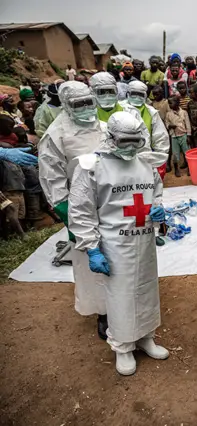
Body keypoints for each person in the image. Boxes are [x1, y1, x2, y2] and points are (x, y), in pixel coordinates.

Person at [68, 111, 169, 376]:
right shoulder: (92, 166)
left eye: (136, 141)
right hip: (114, 243)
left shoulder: (145, 162)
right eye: (125, 141)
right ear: (110, 137)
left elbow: (155, 191)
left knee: (147, 289)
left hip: (144, 238)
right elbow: (80, 210)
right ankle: (123, 347)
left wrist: (157, 209)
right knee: (121, 294)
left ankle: (146, 336)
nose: (131, 147)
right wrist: (91, 247)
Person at [38, 81, 109, 340]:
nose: (86, 108)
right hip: (81, 210)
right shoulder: (55, 136)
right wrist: (73, 220)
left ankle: (123, 304)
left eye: (89, 101)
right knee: (92, 266)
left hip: (112, 204)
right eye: (79, 104)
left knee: (120, 259)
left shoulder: (103, 127)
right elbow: (52, 183)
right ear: (67, 106)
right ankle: (103, 313)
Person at [125, 81, 170, 170]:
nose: (137, 97)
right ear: (128, 94)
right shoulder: (121, 108)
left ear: (145, 96)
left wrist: (158, 160)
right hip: (123, 156)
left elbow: (160, 137)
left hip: (146, 156)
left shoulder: (151, 111)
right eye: (134, 94)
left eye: (140, 94)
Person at [165, 96, 191, 177]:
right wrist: (170, 126)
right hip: (174, 137)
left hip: (183, 135)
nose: (169, 105)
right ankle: (176, 169)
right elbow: (166, 123)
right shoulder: (168, 114)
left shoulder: (184, 112)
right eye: (169, 103)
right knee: (175, 154)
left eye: (171, 103)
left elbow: (188, 124)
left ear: (177, 103)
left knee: (187, 153)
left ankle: (190, 168)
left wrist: (188, 135)